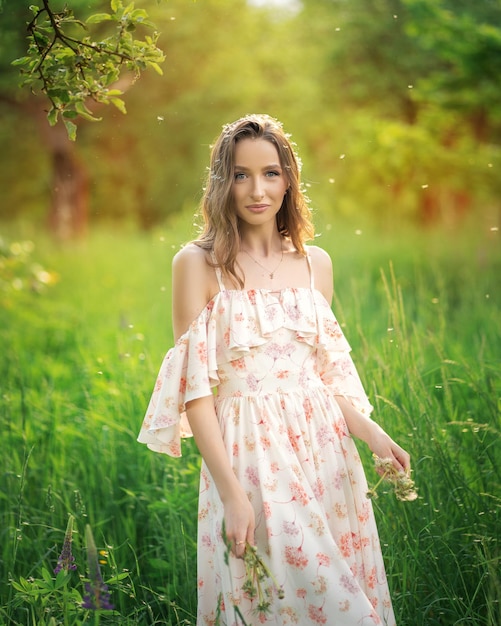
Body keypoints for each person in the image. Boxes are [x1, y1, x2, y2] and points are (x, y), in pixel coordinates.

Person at [137, 113, 411, 625]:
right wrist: (231, 494)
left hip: (326, 452)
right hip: (249, 460)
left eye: (270, 173)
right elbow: (195, 393)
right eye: (240, 174)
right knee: (275, 601)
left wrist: (373, 434)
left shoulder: (315, 264)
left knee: (338, 597)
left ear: (288, 179)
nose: (256, 190)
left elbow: (322, 379)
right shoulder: (196, 264)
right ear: (222, 182)